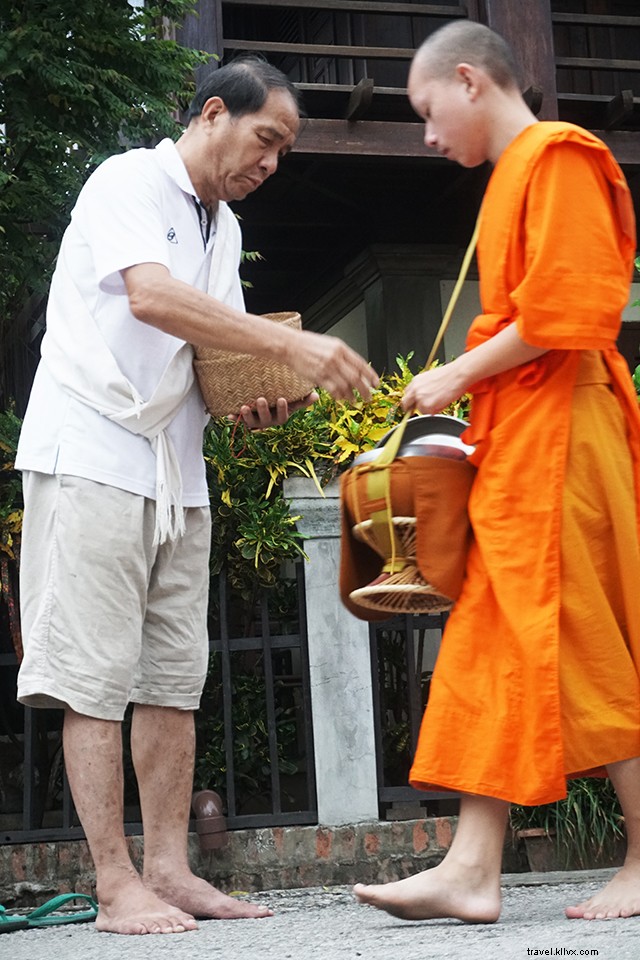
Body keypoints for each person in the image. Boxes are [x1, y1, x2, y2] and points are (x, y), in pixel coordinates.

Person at [15, 56, 378, 936]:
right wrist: (294, 347)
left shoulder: (220, 229)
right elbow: (150, 298)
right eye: (267, 140)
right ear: (214, 113)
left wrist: (259, 397)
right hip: (92, 452)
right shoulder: (126, 180)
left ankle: (169, 869)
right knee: (94, 679)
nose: (273, 163)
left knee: (172, 680)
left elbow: (212, 366)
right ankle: (114, 886)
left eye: (284, 150)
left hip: (177, 475)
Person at [354, 20, 640, 924]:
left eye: (426, 111)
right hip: (519, 438)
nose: (427, 136)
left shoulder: (558, 157)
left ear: (469, 81)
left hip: (565, 429)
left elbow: (572, 310)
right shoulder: (512, 177)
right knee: (493, 638)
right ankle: (472, 867)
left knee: (584, 634)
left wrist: (453, 375)